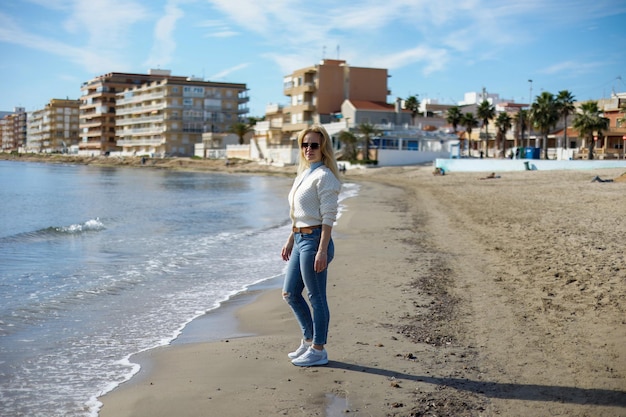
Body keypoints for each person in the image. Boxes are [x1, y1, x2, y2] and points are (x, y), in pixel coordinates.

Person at [281, 125, 342, 367]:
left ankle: (318, 349)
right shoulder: (304, 174)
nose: (308, 149)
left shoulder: (325, 176)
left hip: (315, 241)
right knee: (290, 293)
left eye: (314, 145)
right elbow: (299, 214)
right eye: (305, 144)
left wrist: (322, 250)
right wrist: (289, 239)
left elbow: (328, 217)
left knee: (316, 296)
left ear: (323, 147)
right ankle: (308, 340)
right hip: (299, 239)